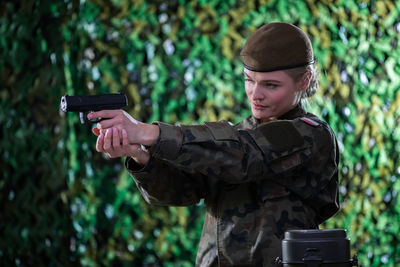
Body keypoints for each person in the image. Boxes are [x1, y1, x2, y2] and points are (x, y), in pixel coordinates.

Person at [89, 22, 340, 266]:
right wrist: (140, 155)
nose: (255, 93)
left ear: (304, 80)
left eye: (270, 85)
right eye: (249, 79)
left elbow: (244, 156)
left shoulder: (311, 135)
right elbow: (183, 189)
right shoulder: (235, 138)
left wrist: (148, 133)